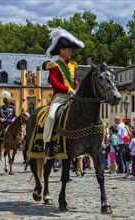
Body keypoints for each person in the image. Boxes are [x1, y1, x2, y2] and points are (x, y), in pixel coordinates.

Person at [43, 27, 84, 158]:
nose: (71, 53)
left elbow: (74, 81)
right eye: (69, 50)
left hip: (73, 96)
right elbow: (55, 83)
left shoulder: (73, 65)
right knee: (51, 116)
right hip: (60, 97)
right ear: (62, 51)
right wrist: (69, 90)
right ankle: (47, 143)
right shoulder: (54, 66)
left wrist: (77, 89)